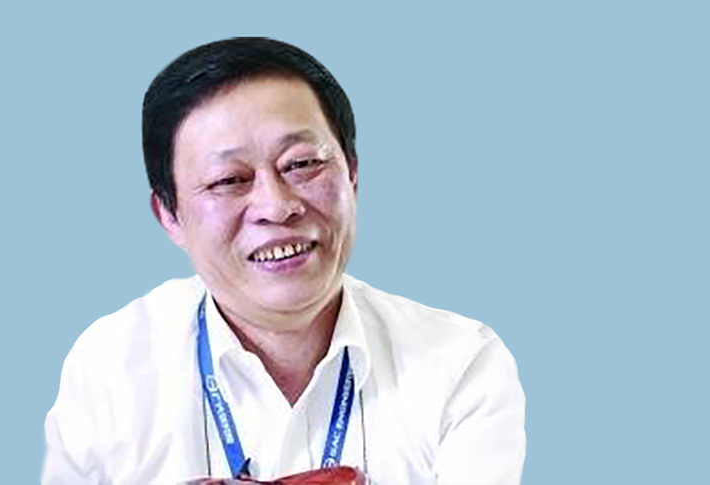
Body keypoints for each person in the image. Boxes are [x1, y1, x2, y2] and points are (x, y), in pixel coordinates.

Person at [41, 37, 526, 485]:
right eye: (229, 180)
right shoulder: (109, 371)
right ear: (170, 215)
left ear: (352, 173)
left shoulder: (460, 365)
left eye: (301, 164)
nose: (276, 207)